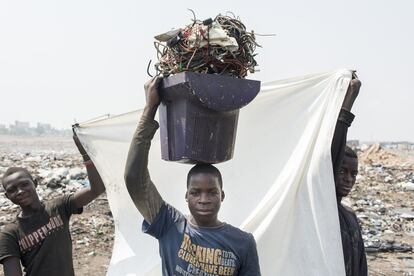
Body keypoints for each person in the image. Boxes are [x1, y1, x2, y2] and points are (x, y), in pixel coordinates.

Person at [124, 77, 261, 276]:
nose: (203, 200)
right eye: (196, 192)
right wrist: (150, 109)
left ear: (222, 195)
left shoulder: (243, 243)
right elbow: (134, 178)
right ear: (186, 196)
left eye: (211, 192)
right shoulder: (170, 225)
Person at [0, 131, 106, 276]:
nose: (20, 191)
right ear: (7, 196)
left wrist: (86, 154)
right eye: (12, 190)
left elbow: (97, 189)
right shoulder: (10, 233)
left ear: (35, 183)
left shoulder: (59, 206)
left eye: (24, 184)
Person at [331, 74, 368, 276]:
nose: (348, 179)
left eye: (354, 174)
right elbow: (333, 150)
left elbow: (361, 266)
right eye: (342, 171)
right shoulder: (321, 212)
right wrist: (347, 105)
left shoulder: (350, 217)